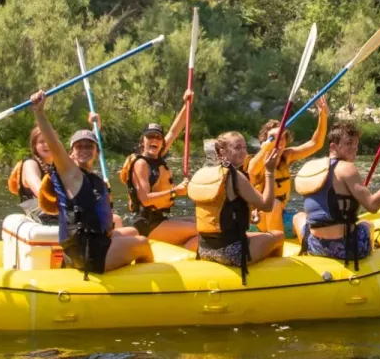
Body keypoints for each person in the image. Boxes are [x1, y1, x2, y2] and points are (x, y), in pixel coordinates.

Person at [29, 88, 154, 276]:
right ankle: (140, 285)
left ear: (97, 152)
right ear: (71, 153)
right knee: (143, 243)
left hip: (88, 244)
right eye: (78, 147)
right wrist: (39, 112)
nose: (84, 150)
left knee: (132, 232)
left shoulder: (90, 177)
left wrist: (96, 127)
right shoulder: (71, 174)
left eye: (89, 146)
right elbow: (54, 145)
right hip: (88, 253)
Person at [292, 121, 380, 267]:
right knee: (368, 224)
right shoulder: (347, 168)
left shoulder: (310, 167)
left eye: (356, 143)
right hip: (345, 248)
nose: (355, 147)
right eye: (349, 143)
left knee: (299, 216)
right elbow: (373, 206)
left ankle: (307, 249)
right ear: (333, 147)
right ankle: (369, 262)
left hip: (315, 246)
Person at [187, 130, 284, 282]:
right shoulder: (234, 175)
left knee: (254, 236)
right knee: (278, 236)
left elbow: (219, 210)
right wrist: (269, 172)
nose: (243, 151)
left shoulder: (204, 172)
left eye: (245, 147)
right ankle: (275, 280)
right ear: (222, 151)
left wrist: (249, 215)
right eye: (237, 147)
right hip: (230, 252)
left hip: (205, 249)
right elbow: (267, 206)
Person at [118, 96, 197, 246]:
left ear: (162, 143)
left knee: (201, 221)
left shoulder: (157, 157)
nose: (154, 140)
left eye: (158, 137)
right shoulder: (140, 164)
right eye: (150, 137)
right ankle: (190, 254)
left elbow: (174, 131)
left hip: (159, 218)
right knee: (200, 230)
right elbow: (145, 199)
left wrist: (187, 104)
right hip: (146, 224)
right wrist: (175, 192)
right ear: (142, 142)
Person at [245, 96, 329, 235]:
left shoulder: (287, 156)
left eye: (282, 137)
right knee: (274, 204)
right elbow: (252, 170)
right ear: (266, 141)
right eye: (275, 138)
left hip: (281, 215)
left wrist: (323, 116)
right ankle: (273, 241)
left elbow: (316, 144)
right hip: (259, 219)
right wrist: (267, 146)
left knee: (309, 219)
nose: (280, 141)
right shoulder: (260, 161)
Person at [8, 125, 61, 226]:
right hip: (39, 211)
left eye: (50, 140)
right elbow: (41, 192)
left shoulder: (59, 166)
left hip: (57, 209)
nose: (47, 144)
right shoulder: (30, 164)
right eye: (42, 141)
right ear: (34, 145)